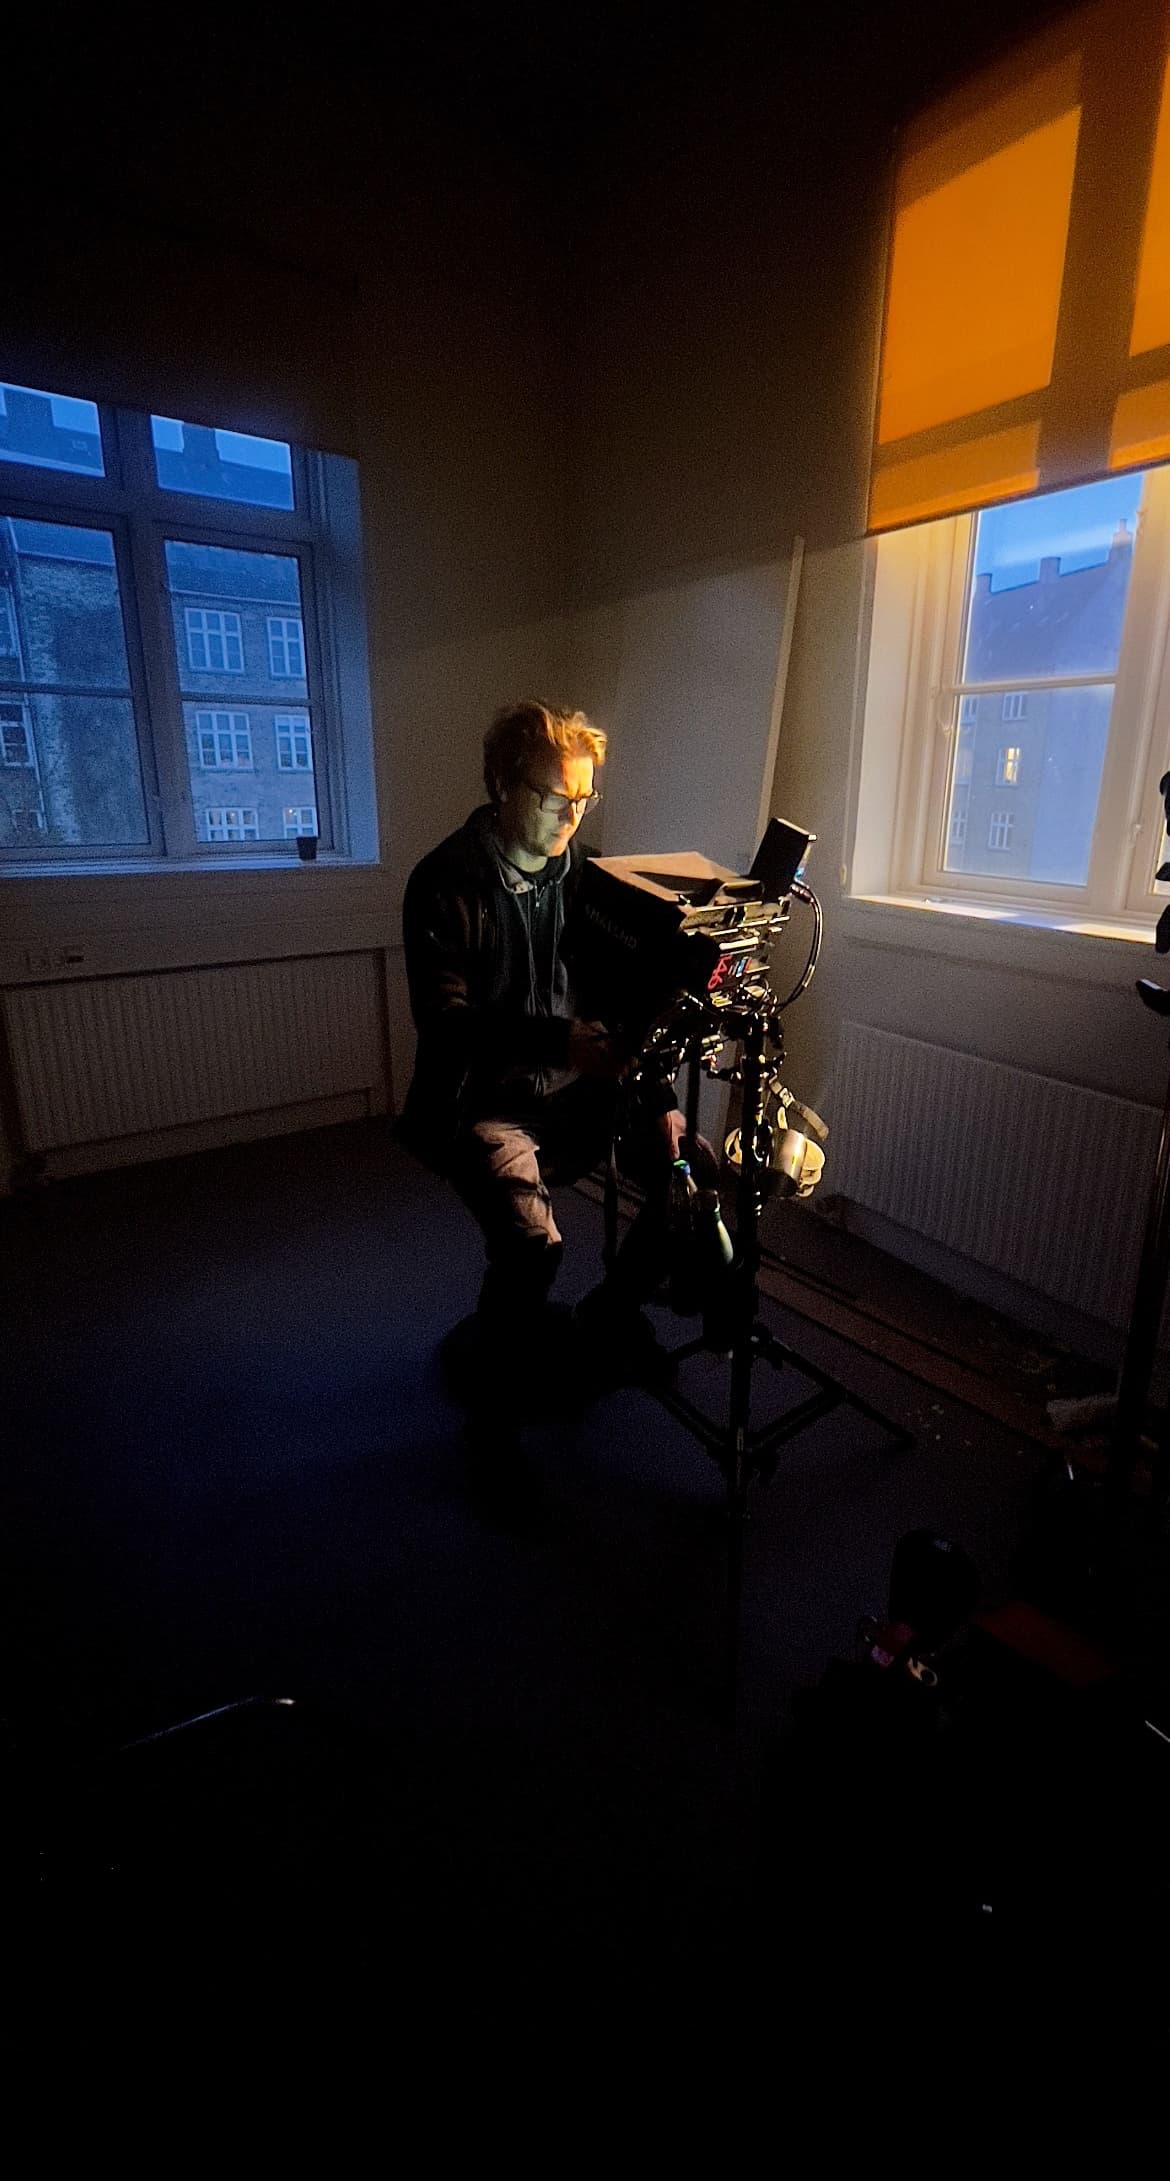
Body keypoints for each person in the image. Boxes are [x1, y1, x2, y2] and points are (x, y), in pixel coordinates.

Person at [400, 700, 696, 1478]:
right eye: (556, 794)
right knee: (533, 1247)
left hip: (575, 1085)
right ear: (503, 784)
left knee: (686, 1173)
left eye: (584, 796)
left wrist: (661, 1096)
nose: (573, 811)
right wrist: (559, 1039)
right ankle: (491, 1438)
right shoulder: (442, 882)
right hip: (478, 1101)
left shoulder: (592, 880)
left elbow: (624, 1000)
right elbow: (446, 1023)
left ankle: (612, 1314)